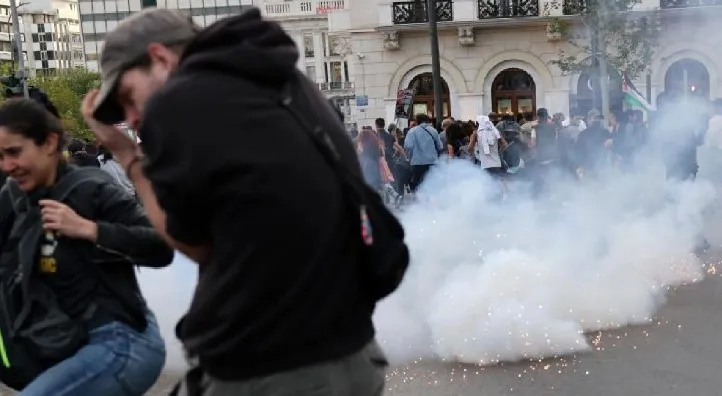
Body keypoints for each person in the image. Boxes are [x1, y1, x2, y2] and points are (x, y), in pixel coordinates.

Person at [83, 7, 388, 396]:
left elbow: (191, 242)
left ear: (160, 58)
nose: (132, 116)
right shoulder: (282, 80)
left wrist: (127, 156)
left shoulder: (180, 101)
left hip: (269, 369)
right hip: (350, 354)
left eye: (129, 97)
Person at [0, 98, 172, 395]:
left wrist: (89, 229)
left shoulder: (90, 189)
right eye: (1, 156)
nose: (7, 165)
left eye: (15, 152)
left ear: (50, 143)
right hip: (62, 346)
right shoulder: (14, 199)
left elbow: (160, 246)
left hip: (121, 341)